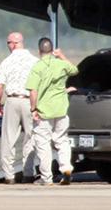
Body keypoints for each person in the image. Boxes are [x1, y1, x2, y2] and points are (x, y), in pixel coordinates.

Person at [26, 37, 79, 186]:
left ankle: (46, 178)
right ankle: (66, 168)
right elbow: (74, 70)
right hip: (61, 109)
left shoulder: (37, 67)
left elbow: (33, 91)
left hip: (44, 111)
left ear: (39, 51)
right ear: (52, 50)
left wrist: (33, 108)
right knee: (62, 140)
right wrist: (61, 56)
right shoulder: (61, 64)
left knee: (43, 143)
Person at [0, 32, 39, 184]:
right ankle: (28, 173)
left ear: (13, 44)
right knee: (30, 137)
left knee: (9, 138)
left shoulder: (7, 61)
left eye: (8, 43)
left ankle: (9, 175)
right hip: (29, 100)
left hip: (12, 100)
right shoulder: (34, 61)